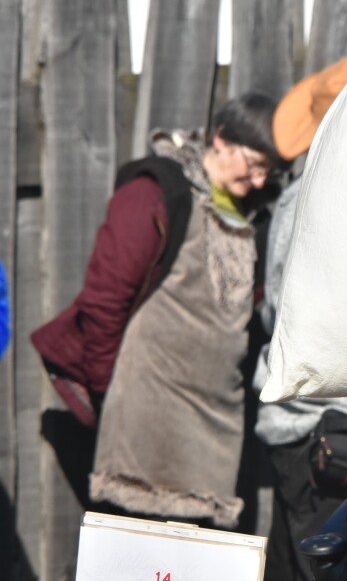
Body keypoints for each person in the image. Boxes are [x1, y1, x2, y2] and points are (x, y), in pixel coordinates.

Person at [31, 93, 280, 526]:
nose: (260, 181)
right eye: (253, 164)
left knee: (193, 575)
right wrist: (112, 394)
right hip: (145, 417)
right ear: (221, 138)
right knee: (138, 571)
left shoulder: (254, 213)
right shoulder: (156, 193)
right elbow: (104, 300)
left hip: (216, 423)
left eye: (268, 171)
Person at [254, 55, 347, 581]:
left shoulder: (317, 193)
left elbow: (272, 308)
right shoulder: (335, 196)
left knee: (301, 574)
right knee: (321, 580)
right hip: (322, 420)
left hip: (316, 417)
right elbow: (287, 308)